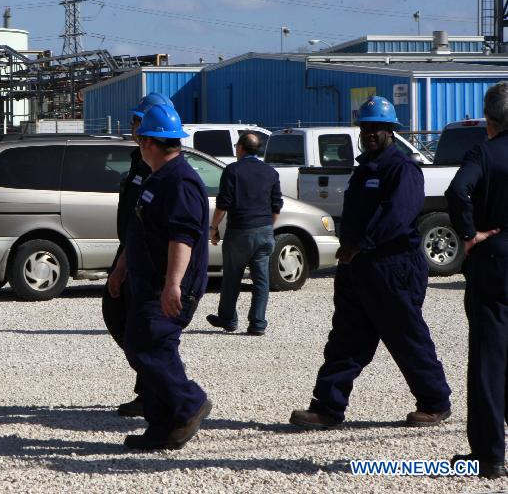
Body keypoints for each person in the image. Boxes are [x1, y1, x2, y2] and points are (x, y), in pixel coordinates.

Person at [290, 96, 451, 430]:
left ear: (391, 131)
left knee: (407, 337)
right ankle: (327, 408)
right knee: (346, 340)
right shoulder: (364, 169)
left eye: (378, 128)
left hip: (392, 267)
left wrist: (360, 244)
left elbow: (397, 215)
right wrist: (349, 247)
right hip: (359, 267)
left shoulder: (402, 169)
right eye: (366, 128)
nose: (371, 133)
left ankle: (435, 403)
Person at [120, 103, 212, 451]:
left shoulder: (180, 180)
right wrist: (122, 269)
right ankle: (163, 425)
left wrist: (173, 284)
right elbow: (143, 229)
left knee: (148, 345)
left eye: (140, 137)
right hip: (150, 281)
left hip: (169, 284)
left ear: (149, 142)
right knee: (145, 344)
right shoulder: (159, 177)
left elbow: (182, 237)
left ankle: (189, 404)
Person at [446, 82, 508, 479]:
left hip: (495, 261)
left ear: (489, 121)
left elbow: (457, 190)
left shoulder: (484, 153)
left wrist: (469, 234)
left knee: (489, 360)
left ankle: (489, 456)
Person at [105, 93, 170, 418]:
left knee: (143, 329)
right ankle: (150, 386)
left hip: (143, 256)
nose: (131, 127)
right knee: (120, 317)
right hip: (129, 250)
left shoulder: (162, 169)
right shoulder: (138, 160)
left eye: (136, 122)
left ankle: (161, 391)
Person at [206, 132, 283, 336]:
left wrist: (213, 228)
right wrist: (267, 227)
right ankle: (257, 323)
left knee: (232, 276)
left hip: (240, 231)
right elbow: (277, 206)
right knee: (261, 280)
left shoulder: (233, 170)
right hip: (265, 230)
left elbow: (223, 203)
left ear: (240, 148)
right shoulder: (270, 173)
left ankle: (228, 318)